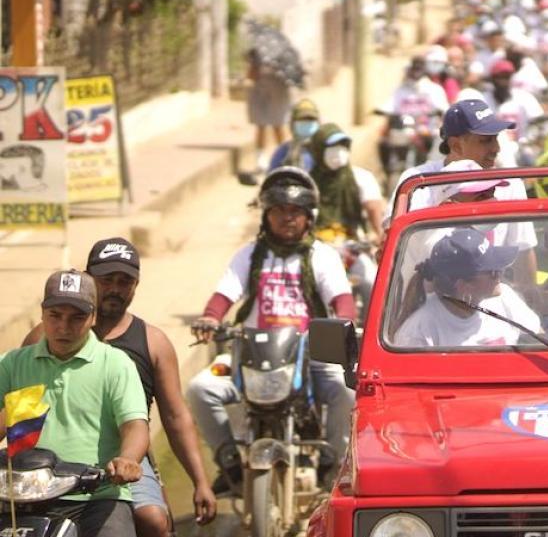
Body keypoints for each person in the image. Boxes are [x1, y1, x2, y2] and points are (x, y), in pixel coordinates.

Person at [21, 239, 217, 535]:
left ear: (136, 285)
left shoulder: (150, 344)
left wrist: (200, 481)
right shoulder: (40, 342)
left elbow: (175, 417)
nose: (114, 288)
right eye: (106, 280)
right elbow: (21, 410)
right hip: (49, 462)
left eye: (124, 281)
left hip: (119, 464)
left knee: (152, 519)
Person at [186, 168, 357, 492]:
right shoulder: (249, 255)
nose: (287, 218)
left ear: (309, 216)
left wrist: (344, 326)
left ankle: (331, 461)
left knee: (345, 391)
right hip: (249, 354)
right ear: (266, 215)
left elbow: (341, 299)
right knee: (200, 388)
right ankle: (230, 462)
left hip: (310, 353)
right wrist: (210, 318)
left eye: (295, 211)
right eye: (279, 210)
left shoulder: (322, 255)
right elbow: (225, 294)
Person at [0, 270, 148, 537]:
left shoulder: (115, 364)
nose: (64, 327)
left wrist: (127, 460)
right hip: (20, 498)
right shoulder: (13, 364)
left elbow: (134, 425)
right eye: (55, 316)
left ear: (93, 317)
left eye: (77, 317)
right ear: (42, 314)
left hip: (96, 498)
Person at [385, 101, 539, 286]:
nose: (496, 149)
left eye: (495, 138)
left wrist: (532, 299)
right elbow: (393, 248)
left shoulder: (511, 183)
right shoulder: (416, 182)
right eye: (485, 140)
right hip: (424, 300)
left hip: (492, 306)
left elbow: (523, 250)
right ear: (456, 145)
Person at [393, 228, 541, 347]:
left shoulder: (505, 298)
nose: (500, 275)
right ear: (464, 286)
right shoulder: (418, 333)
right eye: (493, 272)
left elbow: (540, 340)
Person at [307, 123, 385, 242]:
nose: (338, 150)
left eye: (342, 145)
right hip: (315, 242)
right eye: (332, 146)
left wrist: (379, 236)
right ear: (318, 149)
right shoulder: (307, 182)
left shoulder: (361, 177)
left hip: (353, 240)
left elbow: (374, 210)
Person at [246, 47, 292, 174]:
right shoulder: (257, 53)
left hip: (279, 94)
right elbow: (250, 75)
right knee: (261, 125)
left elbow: (290, 77)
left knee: (278, 126)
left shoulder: (285, 56)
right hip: (261, 94)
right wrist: (256, 67)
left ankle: (284, 159)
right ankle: (261, 161)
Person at [268, 98, 320, 172]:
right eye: (302, 120)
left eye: (310, 120)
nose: (306, 123)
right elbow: (271, 178)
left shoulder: (324, 151)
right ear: (292, 123)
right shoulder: (284, 152)